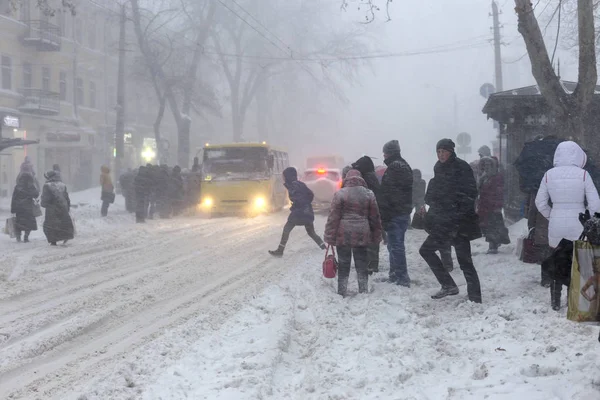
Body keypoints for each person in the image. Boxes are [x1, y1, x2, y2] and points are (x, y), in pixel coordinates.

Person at [535, 141, 600, 310]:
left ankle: (555, 302)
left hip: (556, 223)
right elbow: (595, 204)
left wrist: (552, 215)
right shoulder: (584, 175)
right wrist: (587, 220)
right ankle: (577, 302)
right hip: (578, 224)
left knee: (558, 261)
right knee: (580, 263)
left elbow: (540, 202)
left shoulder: (548, 175)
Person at [419, 139, 482, 303]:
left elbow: (470, 193)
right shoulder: (438, 168)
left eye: (444, 151)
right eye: (438, 152)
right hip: (442, 222)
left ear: (451, 151)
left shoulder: (461, 167)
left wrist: (457, 213)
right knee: (426, 250)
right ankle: (448, 284)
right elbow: (436, 193)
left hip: (459, 222)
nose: (441, 155)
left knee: (465, 261)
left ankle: (475, 297)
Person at [324, 169, 383, 296]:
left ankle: (342, 290)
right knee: (361, 264)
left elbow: (333, 217)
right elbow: (375, 217)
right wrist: (376, 235)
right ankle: (363, 289)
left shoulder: (340, 194)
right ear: (361, 179)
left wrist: (329, 236)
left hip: (343, 234)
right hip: (362, 233)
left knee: (344, 264)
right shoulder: (369, 194)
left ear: (347, 179)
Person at [269, 167, 326, 257]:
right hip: (307, 212)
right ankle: (323, 247)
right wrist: (307, 204)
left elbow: (298, 199)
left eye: (284, 176)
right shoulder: (300, 184)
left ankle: (280, 250)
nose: (283, 178)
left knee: (286, 229)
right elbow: (310, 194)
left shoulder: (293, 186)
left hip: (299, 213)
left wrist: (296, 206)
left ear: (288, 176)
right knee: (311, 232)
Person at [379, 140, 413, 287]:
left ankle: (401, 277)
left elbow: (390, 193)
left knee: (396, 245)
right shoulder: (403, 165)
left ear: (391, 153)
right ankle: (394, 274)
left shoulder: (395, 168)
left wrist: (386, 211)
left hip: (395, 212)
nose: (384, 156)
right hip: (401, 211)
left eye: (385, 153)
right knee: (394, 244)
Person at [352, 156, 382, 274]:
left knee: (369, 240)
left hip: (368, 212)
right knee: (373, 239)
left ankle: (370, 266)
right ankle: (373, 264)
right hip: (374, 212)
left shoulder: (366, 178)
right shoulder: (372, 176)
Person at [477, 157, 510, 254]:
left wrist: (498, 206)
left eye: (488, 165)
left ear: (493, 166)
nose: (486, 167)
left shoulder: (497, 177)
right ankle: (494, 242)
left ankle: (493, 245)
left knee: (494, 226)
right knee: (488, 226)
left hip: (493, 206)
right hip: (484, 206)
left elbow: (499, 193)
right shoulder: (484, 177)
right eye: (485, 165)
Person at [41, 170, 74, 246]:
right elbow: (66, 197)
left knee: (51, 225)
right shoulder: (62, 185)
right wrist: (67, 207)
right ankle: (65, 236)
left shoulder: (47, 186)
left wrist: (43, 204)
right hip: (63, 208)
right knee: (63, 224)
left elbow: (45, 200)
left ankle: (53, 241)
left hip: (52, 209)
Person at [11, 172, 39, 243]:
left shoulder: (17, 186)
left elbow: (14, 198)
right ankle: (26, 237)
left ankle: (18, 237)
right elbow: (36, 194)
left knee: (18, 222)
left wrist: (13, 209)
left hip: (19, 208)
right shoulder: (31, 186)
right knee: (28, 223)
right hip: (28, 207)